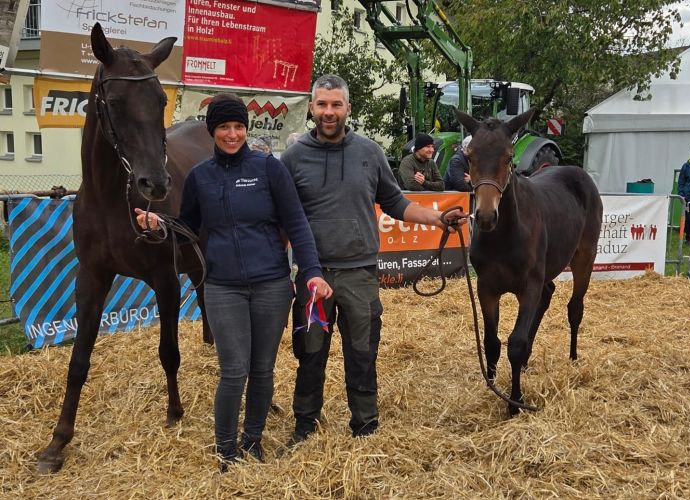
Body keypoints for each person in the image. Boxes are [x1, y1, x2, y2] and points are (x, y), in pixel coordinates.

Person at [134, 94, 332, 470]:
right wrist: (161, 226)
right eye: (224, 127)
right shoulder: (200, 177)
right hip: (223, 287)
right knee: (233, 370)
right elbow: (188, 228)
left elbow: (297, 224)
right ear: (212, 131)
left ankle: (252, 441)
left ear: (246, 129)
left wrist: (313, 272)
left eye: (239, 126)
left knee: (262, 369)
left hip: (272, 285)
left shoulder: (269, 169)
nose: (232, 134)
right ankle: (226, 450)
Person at [279, 74, 465, 445]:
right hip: (314, 277)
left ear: (348, 108)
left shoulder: (369, 152)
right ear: (311, 108)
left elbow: (395, 201)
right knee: (310, 353)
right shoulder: (294, 157)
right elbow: (282, 216)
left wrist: (437, 218)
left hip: (359, 274)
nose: (328, 112)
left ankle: (364, 426)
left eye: (336, 104)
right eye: (322, 104)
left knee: (362, 353)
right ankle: (305, 426)